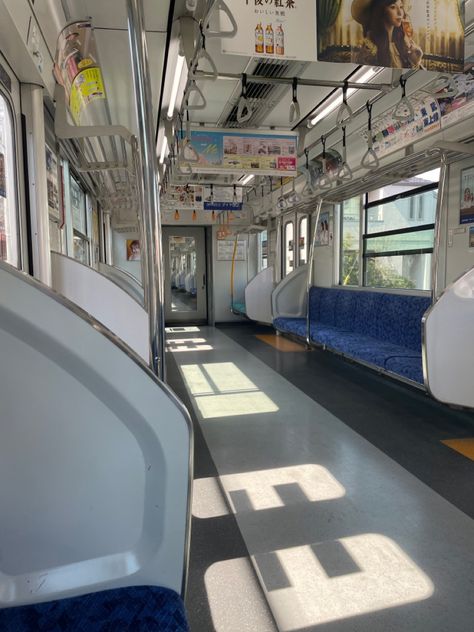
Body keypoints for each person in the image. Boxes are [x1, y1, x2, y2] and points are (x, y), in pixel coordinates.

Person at [351, 0, 423, 69]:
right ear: (380, 11)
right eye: (393, 7)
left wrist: (415, 61)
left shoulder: (402, 42)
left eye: (401, 7)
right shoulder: (370, 47)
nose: (400, 13)